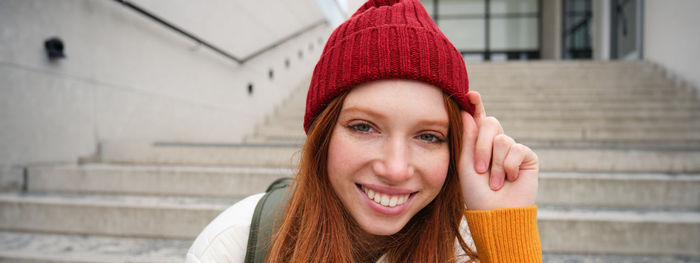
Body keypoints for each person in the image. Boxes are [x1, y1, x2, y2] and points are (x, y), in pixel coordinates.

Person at [187, 0, 541, 262]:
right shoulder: (233, 244)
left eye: (429, 136)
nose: (396, 168)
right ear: (322, 137)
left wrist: (506, 231)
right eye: (363, 127)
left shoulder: (469, 249)